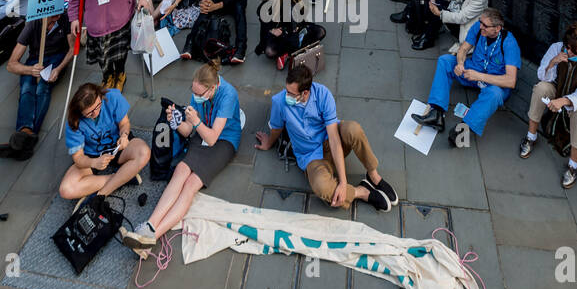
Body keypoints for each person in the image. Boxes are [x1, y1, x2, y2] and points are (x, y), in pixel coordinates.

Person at [119, 62, 243, 256]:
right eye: (193, 91)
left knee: (191, 184)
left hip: (224, 141)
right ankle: (150, 225)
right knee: (181, 171)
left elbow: (211, 139)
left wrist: (197, 121)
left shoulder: (228, 94)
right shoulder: (200, 94)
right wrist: (175, 122)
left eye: (199, 94)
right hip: (201, 135)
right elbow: (187, 131)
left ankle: (151, 238)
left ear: (213, 88)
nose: (195, 97)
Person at [255, 62, 398, 211]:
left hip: (330, 142)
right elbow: (277, 129)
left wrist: (343, 182)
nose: (287, 96)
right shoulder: (279, 102)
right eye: (286, 90)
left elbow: (335, 140)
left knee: (353, 129)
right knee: (321, 187)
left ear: (305, 93)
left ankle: (373, 175)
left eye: (291, 93)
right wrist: (269, 143)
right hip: (310, 156)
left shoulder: (323, 94)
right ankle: (361, 192)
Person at [412, 9, 520, 146]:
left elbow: (511, 81)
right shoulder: (478, 28)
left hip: (492, 82)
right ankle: (437, 114)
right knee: (445, 61)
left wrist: (479, 76)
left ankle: (462, 131)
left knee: (495, 94)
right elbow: (463, 49)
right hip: (472, 72)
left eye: (485, 25)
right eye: (481, 22)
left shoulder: (509, 43)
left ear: (497, 28)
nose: (481, 26)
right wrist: (460, 64)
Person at [522, 22, 577, 188]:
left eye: (573, 50)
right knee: (541, 88)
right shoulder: (557, 48)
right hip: (557, 91)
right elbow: (543, 76)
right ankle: (531, 136)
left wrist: (563, 101)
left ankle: (573, 165)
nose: (568, 51)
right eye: (567, 47)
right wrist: (553, 63)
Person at [0, 11, 75, 160]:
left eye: (58, 14)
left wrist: (58, 69)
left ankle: (23, 137)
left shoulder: (64, 19)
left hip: (57, 58)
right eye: (53, 15)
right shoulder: (33, 24)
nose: (56, 17)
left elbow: (72, 49)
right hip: (35, 61)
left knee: (42, 88)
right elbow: (11, 65)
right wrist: (30, 70)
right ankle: (26, 136)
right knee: (26, 88)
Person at [59, 82, 151, 203]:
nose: (96, 113)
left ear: (100, 95)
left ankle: (100, 195)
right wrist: (94, 162)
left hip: (118, 146)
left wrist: (124, 136)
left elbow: (124, 124)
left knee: (144, 152)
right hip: (92, 155)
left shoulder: (111, 96)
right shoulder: (74, 121)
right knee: (66, 189)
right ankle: (123, 177)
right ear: (79, 112)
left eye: (98, 106)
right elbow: (78, 158)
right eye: (89, 113)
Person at [407, 0, 487, 53]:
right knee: (437, 2)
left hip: (465, 24)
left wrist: (440, 14)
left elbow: (462, 17)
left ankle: (428, 38)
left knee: (439, 12)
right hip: (457, 9)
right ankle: (428, 34)